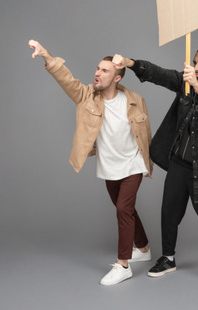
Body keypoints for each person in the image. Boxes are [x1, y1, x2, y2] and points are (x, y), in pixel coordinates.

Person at [28, 39, 153, 286]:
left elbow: (145, 133)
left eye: (105, 70)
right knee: (125, 208)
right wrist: (45, 55)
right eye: (97, 68)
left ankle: (123, 264)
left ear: (117, 78)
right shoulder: (86, 96)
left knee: (122, 210)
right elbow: (65, 78)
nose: (97, 73)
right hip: (109, 166)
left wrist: (148, 162)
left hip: (133, 164)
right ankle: (144, 248)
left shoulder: (135, 99)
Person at [113, 46, 198, 294]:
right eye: (194, 63)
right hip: (179, 164)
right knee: (169, 214)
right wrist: (129, 62)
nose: (196, 68)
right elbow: (159, 74)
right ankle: (168, 258)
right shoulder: (185, 82)